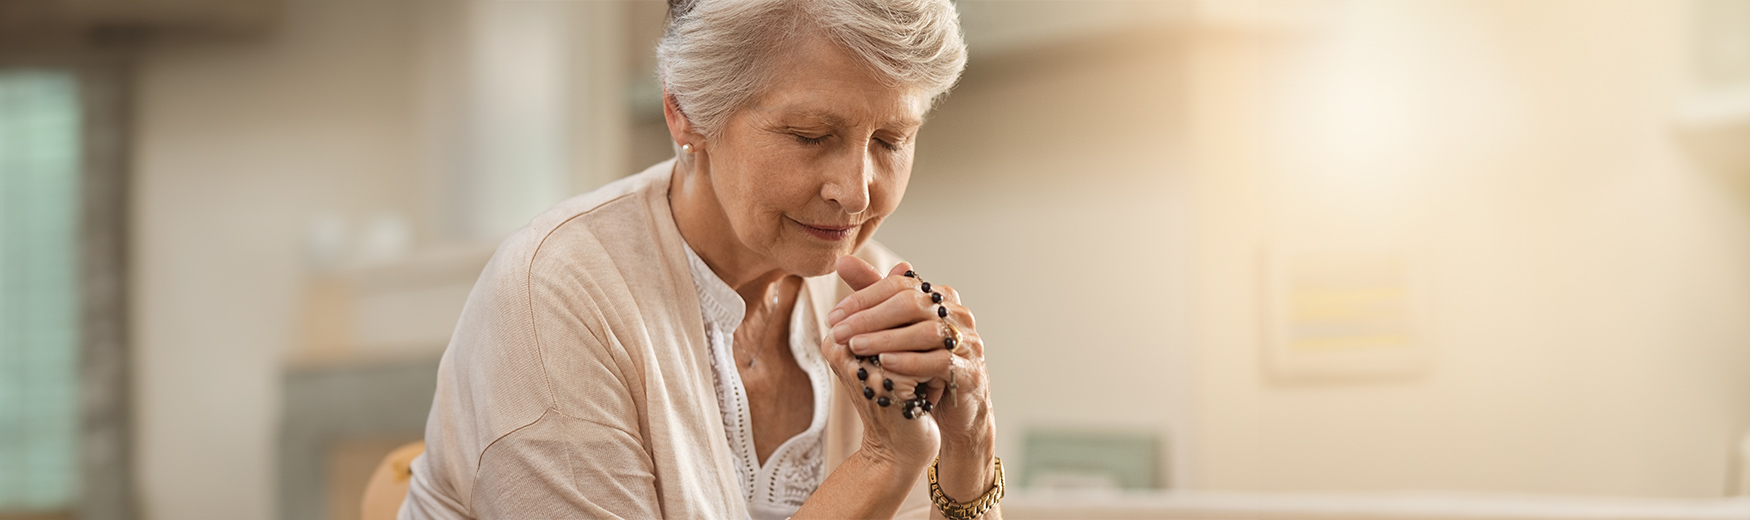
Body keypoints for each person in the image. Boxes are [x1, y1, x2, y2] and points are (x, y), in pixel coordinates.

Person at [400, 0, 1000, 518]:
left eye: (892, 141)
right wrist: (882, 462)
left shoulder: (873, 297)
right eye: (811, 135)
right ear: (684, 110)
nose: (858, 190)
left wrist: (968, 442)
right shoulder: (553, 297)